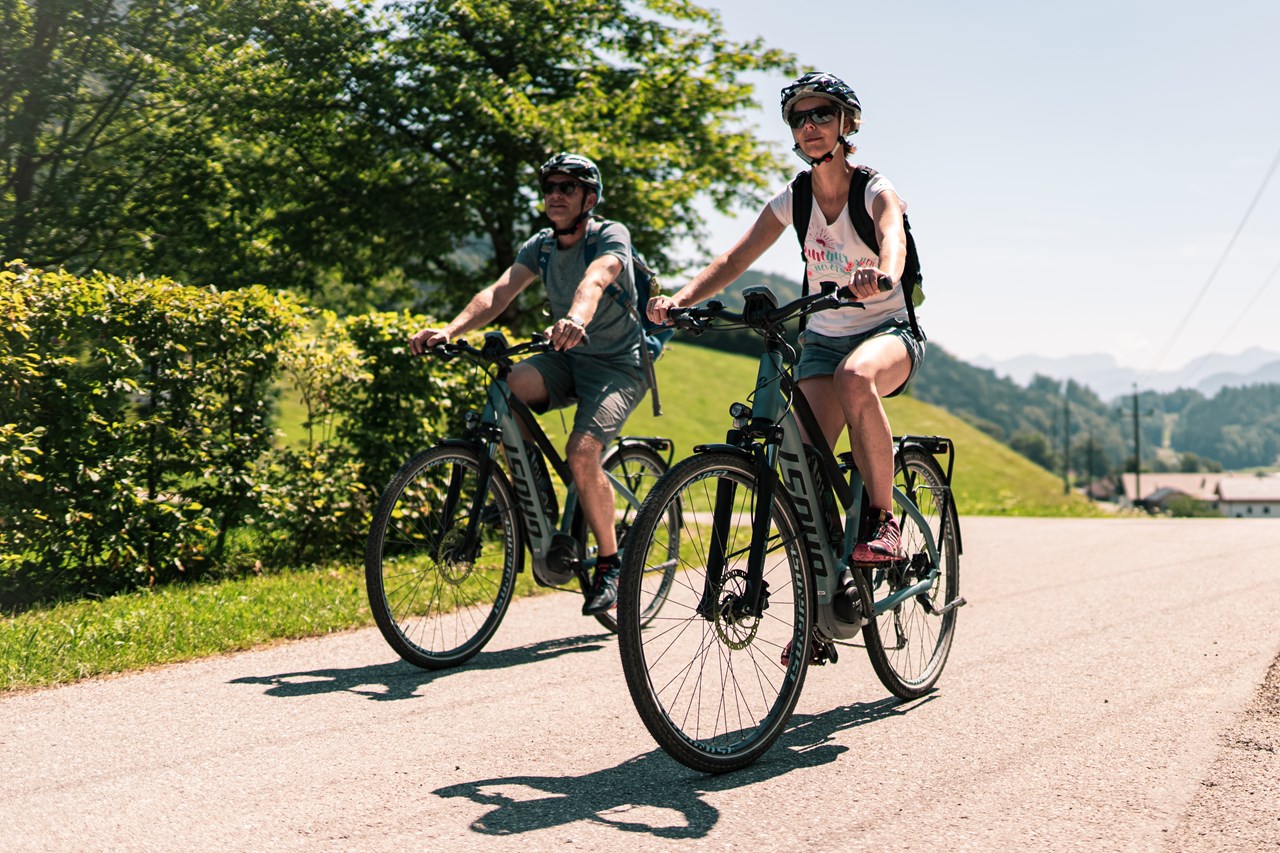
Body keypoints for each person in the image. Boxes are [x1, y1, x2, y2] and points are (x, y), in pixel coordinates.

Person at [647, 71, 926, 567]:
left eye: (822, 113)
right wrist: (680, 300)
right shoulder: (793, 200)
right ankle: (820, 616)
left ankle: (883, 520)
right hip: (821, 340)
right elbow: (732, 261)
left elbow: (893, 238)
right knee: (797, 461)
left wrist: (882, 274)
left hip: (888, 333)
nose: (810, 124)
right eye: (799, 118)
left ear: (846, 123)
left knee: (856, 377)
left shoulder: (873, 189)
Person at [409, 153, 648, 615]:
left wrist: (576, 318)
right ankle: (529, 496)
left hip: (618, 365)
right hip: (566, 357)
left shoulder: (609, 234)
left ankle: (610, 562)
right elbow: (499, 291)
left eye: (567, 187)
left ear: (589, 198)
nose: (555, 195)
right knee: (507, 386)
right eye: (549, 188)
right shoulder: (539, 246)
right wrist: (450, 331)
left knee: (582, 451)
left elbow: (596, 280)